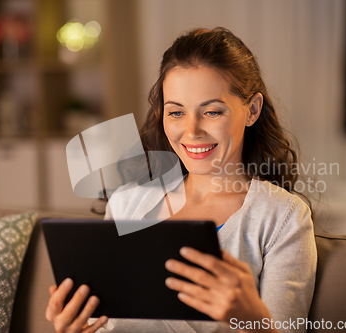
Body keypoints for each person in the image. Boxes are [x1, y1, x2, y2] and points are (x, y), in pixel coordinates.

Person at [45, 27, 317, 333]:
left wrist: (252, 319)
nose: (192, 131)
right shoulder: (125, 205)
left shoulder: (282, 218)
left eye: (212, 112)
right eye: (176, 113)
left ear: (252, 109)